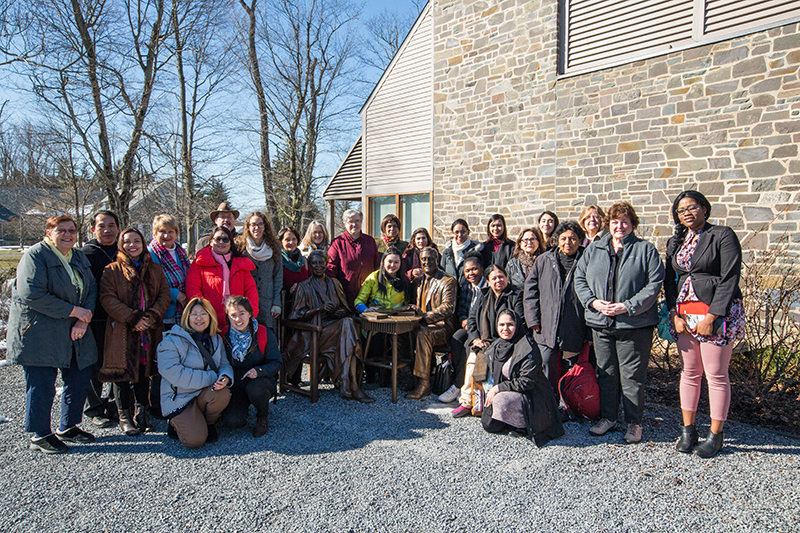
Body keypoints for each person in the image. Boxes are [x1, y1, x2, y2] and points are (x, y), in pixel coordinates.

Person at [574, 202, 664, 444]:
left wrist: (628, 306)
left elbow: (654, 285)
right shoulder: (595, 249)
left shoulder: (645, 250)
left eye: (624, 221)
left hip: (633, 324)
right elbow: (579, 279)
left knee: (632, 375)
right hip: (601, 323)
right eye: (614, 222)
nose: (619, 226)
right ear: (608, 224)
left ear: (633, 224)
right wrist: (592, 302)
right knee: (607, 373)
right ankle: (609, 417)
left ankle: (634, 423)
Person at [8, 215, 98, 454]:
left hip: (75, 328)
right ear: (49, 233)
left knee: (79, 377)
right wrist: (73, 310)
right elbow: (31, 294)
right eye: (61, 230)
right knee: (42, 383)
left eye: (71, 230)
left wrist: (82, 317)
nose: (67, 235)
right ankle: (40, 434)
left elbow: (91, 287)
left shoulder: (77, 256)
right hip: (40, 331)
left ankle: (68, 426)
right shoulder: (36, 256)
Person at [665, 191, 744, 458]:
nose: (687, 212)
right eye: (681, 210)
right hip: (685, 314)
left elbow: (730, 276)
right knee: (689, 372)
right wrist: (672, 313)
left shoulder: (722, 235)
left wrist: (713, 316)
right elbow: (669, 282)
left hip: (715, 313)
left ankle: (715, 434)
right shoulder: (676, 241)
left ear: (704, 209)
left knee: (716, 375)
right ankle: (688, 431)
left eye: (692, 207)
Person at [99, 228, 171, 436]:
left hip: (148, 330)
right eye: (128, 241)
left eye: (136, 241)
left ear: (143, 242)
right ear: (122, 245)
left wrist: (151, 316)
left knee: (143, 372)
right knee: (121, 374)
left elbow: (164, 295)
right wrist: (133, 318)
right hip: (123, 329)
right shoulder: (112, 270)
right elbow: (107, 299)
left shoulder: (155, 269)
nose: (132, 245)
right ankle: (124, 416)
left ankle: (142, 413)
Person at [284, 250, 374, 403]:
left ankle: (348, 382)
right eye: (315, 263)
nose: (318, 266)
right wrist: (318, 309)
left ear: (326, 264)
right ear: (311, 265)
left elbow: (345, 308)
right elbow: (294, 316)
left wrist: (339, 312)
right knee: (349, 329)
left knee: (347, 324)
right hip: (315, 333)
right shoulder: (303, 287)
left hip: (336, 330)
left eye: (321, 262)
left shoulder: (335, 283)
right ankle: (353, 385)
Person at [481, 310, 564, 447]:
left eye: (510, 324)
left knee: (500, 400)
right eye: (501, 325)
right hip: (513, 392)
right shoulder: (497, 346)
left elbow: (527, 381)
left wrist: (498, 388)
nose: (505, 329)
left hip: (533, 396)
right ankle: (512, 420)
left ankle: (524, 425)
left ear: (518, 325)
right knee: (489, 424)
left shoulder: (528, 346)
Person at [158, 298, 233, 448]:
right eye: (194, 314)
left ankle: (208, 423)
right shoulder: (172, 340)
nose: (199, 318)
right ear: (187, 317)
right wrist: (213, 377)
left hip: (203, 393)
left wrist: (225, 377)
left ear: (210, 316)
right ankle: (175, 422)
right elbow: (173, 373)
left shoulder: (215, 339)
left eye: (203, 313)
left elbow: (224, 364)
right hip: (180, 398)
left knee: (222, 393)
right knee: (195, 441)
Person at [451, 265, 525, 417]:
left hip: (507, 342)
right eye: (494, 278)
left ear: (506, 277)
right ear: (488, 281)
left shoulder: (515, 295)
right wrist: (475, 338)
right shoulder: (484, 296)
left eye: (501, 277)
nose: (498, 280)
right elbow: (472, 320)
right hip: (483, 341)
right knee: (472, 360)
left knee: (482, 360)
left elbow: (519, 320)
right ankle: (466, 402)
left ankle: (486, 404)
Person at [525, 221, 588, 395]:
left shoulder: (587, 260)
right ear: (557, 240)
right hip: (545, 324)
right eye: (564, 238)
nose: (568, 242)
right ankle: (548, 401)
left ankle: (568, 404)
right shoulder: (544, 260)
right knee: (546, 363)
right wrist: (533, 320)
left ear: (580, 240)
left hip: (574, 324)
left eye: (573, 238)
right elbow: (530, 291)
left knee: (571, 368)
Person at [221, 295, 282, 438]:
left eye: (242, 314)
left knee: (255, 388)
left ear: (249, 313)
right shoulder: (224, 334)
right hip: (236, 383)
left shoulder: (264, 333)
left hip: (260, 381)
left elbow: (277, 362)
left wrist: (259, 371)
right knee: (233, 422)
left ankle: (262, 416)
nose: (238, 319)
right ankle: (240, 408)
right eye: (233, 315)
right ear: (228, 317)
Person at [80, 210, 120, 428]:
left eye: (112, 225)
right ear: (93, 229)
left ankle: (116, 405)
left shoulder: (124, 251)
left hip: (121, 318)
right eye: (102, 226)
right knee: (95, 365)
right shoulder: (85, 254)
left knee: (118, 363)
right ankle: (95, 409)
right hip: (94, 318)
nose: (107, 230)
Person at [406, 247, 457, 400]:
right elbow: (411, 302)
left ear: (437, 260)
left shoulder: (448, 281)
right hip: (420, 324)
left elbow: (448, 307)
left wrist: (425, 317)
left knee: (423, 334)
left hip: (441, 327)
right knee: (401, 333)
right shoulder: (417, 281)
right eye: (424, 259)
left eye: (430, 259)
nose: (427, 262)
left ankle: (424, 384)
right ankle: (412, 377)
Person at [186, 226, 259, 326]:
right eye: (218, 239)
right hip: (209, 320)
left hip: (237, 320)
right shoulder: (199, 263)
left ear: (230, 243)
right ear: (211, 241)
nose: (221, 242)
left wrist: (249, 315)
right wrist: (203, 314)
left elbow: (251, 291)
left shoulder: (241, 264)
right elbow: (193, 290)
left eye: (225, 239)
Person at [439, 253, 486, 403]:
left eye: (474, 269)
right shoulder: (466, 286)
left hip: (482, 328)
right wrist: (463, 319)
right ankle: (458, 381)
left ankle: (459, 385)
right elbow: (461, 309)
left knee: (468, 346)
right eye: (467, 271)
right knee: (456, 339)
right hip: (468, 326)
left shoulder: (487, 287)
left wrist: (472, 325)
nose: (471, 273)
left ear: (482, 269)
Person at [326, 209, 380, 307]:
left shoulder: (370, 241)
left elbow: (377, 266)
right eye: (350, 221)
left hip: (369, 295)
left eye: (357, 221)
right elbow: (331, 268)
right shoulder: (338, 243)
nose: (354, 224)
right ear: (345, 224)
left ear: (361, 222)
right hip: (346, 295)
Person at [238, 212, 282, 331]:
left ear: (265, 227)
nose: (256, 228)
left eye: (260, 224)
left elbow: (278, 277)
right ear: (248, 227)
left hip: (268, 303)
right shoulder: (241, 247)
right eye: (253, 224)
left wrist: (276, 303)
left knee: (268, 337)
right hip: (246, 302)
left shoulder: (274, 247)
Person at [148, 214, 191, 327]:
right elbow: (151, 283)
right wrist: (176, 294)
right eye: (162, 231)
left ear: (176, 233)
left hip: (183, 311)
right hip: (164, 313)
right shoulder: (150, 254)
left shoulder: (180, 251)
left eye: (171, 231)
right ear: (155, 233)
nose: (167, 235)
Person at [355, 247, 412, 313]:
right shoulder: (373, 278)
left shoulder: (404, 280)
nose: (392, 265)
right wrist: (365, 309)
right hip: (377, 318)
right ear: (383, 261)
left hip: (398, 319)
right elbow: (358, 301)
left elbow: (408, 303)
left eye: (396, 262)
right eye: (389, 261)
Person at [441, 219, 482, 291]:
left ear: (468, 232)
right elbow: (442, 273)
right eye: (456, 232)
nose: (460, 235)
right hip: (451, 293)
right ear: (452, 233)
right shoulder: (447, 253)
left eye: (463, 232)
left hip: (469, 293)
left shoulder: (476, 251)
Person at [278, 226, 309, 291]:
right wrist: (289, 290)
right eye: (287, 240)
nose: (291, 242)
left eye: (294, 239)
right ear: (281, 242)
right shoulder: (278, 261)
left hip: (305, 299)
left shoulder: (303, 260)